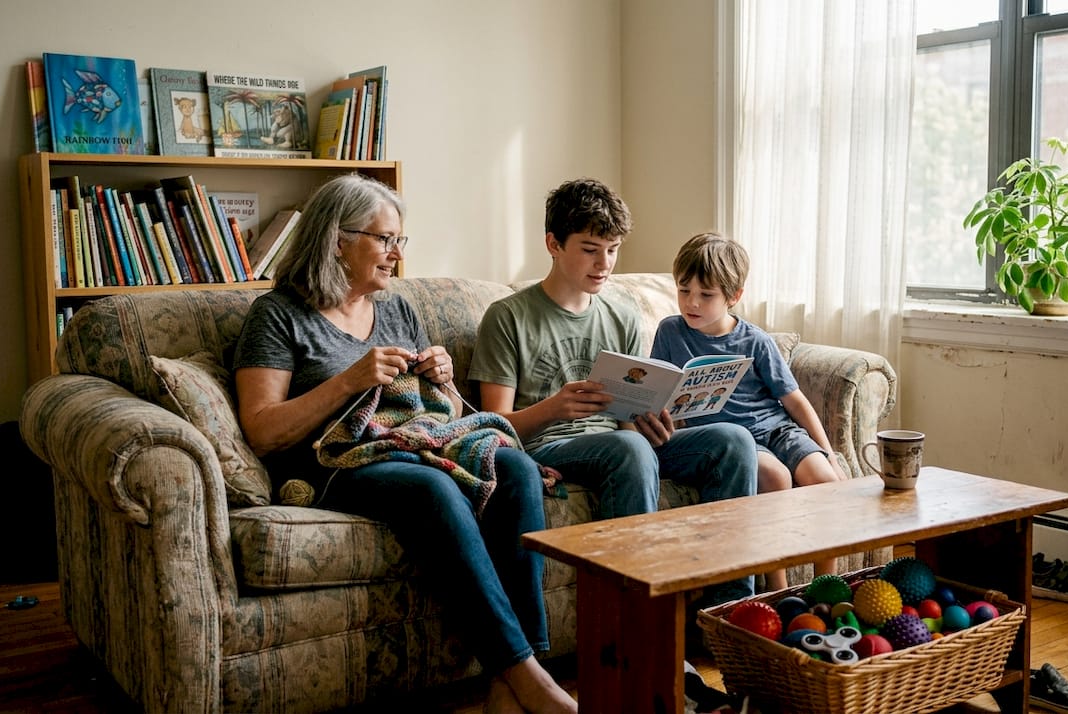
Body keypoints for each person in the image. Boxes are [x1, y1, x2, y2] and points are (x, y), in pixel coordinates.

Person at [232, 173, 576, 714]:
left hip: (411, 442)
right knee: (432, 489)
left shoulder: (397, 308)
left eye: (400, 240)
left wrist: (441, 376)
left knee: (515, 468)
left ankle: (509, 686)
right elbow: (264, 429)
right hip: (333, 461)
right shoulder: (277, 315)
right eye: (384, 239)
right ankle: (528, 676)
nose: (395, 253)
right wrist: (349, 380)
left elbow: (429, 410)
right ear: (337, 240)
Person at [468, 177, 759, 607]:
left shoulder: (620, 314)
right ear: (553, 243)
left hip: (620, 443)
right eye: (589, 249)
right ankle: (642, 628)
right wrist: (554, 408)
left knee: (733, 441)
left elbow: (627, 420)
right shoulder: (508, 317)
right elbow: (495, 429)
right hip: (549, 448)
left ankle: (726, 615)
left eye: (613, 249)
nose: (604, 263)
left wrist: (651, 422)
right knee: (628, 449)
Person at [651, 232, 844, 591]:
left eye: (706, 295)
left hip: (777, 430)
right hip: (733, 442)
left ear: (734, 297)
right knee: (775, 478)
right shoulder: (670, 332)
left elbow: (795, 401)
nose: (691, 302)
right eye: (683, 290)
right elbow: (659, 391)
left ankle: (827, 586)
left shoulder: (755, 340)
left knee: (827, 484)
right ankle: (778, 587)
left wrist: (828, 453)